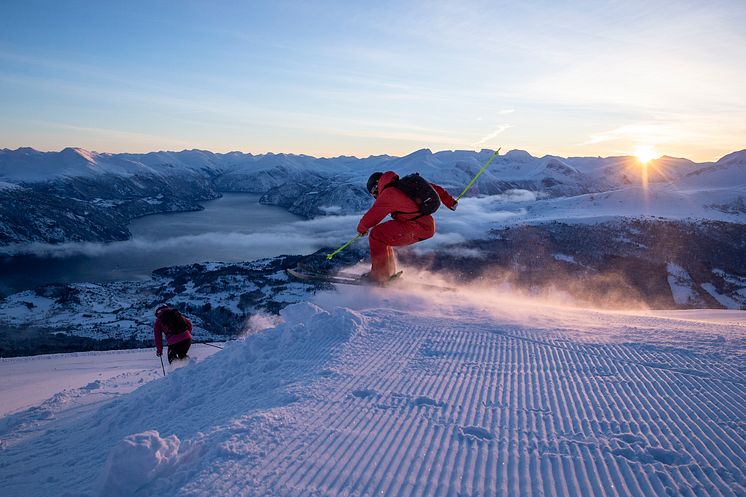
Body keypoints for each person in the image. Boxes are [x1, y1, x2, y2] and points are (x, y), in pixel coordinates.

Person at [357, 171, 457, 284]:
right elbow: (434, 188)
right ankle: (387, 273)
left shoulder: (389, 193)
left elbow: (374, 214)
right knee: (382, 237)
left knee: (376, 235)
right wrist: (450, 202)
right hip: (424, 225)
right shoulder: (404, 185)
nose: (376, 196)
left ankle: (380, 276)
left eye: (374, 193)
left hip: (416, 227)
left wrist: (362, 228)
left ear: (377, 186)